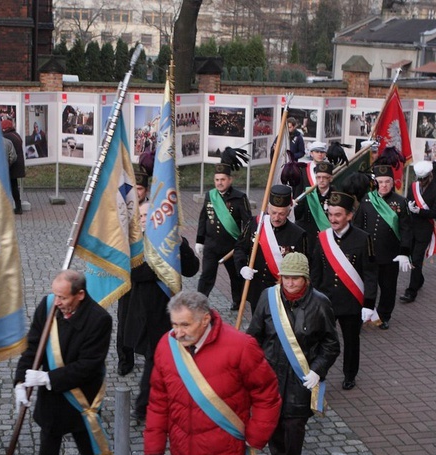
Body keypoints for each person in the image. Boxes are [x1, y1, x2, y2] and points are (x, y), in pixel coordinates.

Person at [143, 290, 281, 455]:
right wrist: (155, 440)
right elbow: (159, 396)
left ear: (205, 319)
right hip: (183, 447)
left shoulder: (241, 346)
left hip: (222, 448)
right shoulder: (167, 345)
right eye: (174, 324)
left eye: (185, 325)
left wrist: (256, 436)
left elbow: (267, 394)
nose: (177, 332)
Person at [14, 270, 112, 455]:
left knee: (87, 448)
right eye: (55, 295)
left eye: (63, 298)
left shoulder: (99, 319)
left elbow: (89, 365)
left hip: (80, 397)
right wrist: (20, 382)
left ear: (80, 294)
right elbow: (33, 346)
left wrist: (48, 378)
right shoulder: (48, 306)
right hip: (52, 399)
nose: (57, 302)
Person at [246, 253, 339, 455]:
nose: (289, 283)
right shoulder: (268, 297)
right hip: (271, 373)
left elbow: (331, 344)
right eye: (285, 277)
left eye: (295, 278)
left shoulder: (320, 303)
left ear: (306, 279)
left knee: (295, 425)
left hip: (301, 377)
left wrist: (318, 371)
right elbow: (254, 334)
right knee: (273, 420)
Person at [128, 201, 200, 421]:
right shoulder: (134, 245)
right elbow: (135, 273)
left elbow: (191, 269)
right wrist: (164, 262)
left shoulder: (172, 241)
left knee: (176, 358)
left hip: (173, 312)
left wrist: (179, 245)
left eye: (149, 215)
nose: (144, 219)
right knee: (155, 359)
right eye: (141, 215)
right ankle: (144, 407)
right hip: (146, 314)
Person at [310, 192, 377, 390]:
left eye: (338, 215)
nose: (333, 219)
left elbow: (370, 274)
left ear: (349, 215)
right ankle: (319, 372)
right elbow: (316, 271)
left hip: (351, 302)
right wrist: (313, 297)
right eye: (330, 214)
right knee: (321, 340)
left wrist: (369, 303)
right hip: (326, 300)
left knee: (351, 341)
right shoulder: (323, 238)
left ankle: (350, 374)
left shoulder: (364, 239)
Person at [353, 164, 413, 330]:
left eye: (387, 181)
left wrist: (404, 252)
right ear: (375, 182)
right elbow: (357, 227)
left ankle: (384, 315)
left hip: (390, 255)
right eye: (380, 182)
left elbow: (406, 229)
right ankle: (363, 315)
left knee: (388, 288)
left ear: (393, 183)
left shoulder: (401, 202)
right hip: (368, 254)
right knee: (364, 286)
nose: (384, 185)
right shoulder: (367, 199)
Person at [234, 185, 307, 313]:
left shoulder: (298, 234)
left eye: (281, 214)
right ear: (268, 208)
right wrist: (242, 268)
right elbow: (240, 248)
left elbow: (303, 267)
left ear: (289, 212)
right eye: (273, 212)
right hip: (257, 289)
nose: (276, 217)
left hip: (283, 292)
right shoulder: (255, 224)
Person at [196, 150, 252, 311]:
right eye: (217, 180)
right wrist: (200, 240)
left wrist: (244, 244)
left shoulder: (239, 197)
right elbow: (203, 219)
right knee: (206, 275)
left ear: (230, 179)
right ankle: (200, 302)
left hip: (232, 247)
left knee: (235, 276)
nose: (219, 183)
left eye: (223, 179)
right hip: (211, 245)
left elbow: (248, 223)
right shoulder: (210, 195)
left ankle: (237, 301)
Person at [115, 150, 154, 376]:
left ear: (146, 191)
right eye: (134, 189)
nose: (137, 193)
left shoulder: (154, 211)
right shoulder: (122, 211)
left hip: (148, 272)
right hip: (127, 272)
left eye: (140, 189)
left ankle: (150, 353)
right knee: (124, 318)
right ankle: (125, 358)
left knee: (148, 317)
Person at [400, 161, 436, 303]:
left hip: (424, 229)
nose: (421, 182)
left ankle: (411, 291)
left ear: (430, 176)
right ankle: (419, 279)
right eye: (419, 179)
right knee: (412, 258)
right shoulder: (413, 186)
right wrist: (408, 205)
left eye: (423, 179)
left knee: (417, 259)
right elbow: (407, 201)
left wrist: (420, 211)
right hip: (410, 227)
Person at [293, 160, 335, 246]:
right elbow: (298, 216)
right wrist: (294, 206)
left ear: (330, 178)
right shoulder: (308, 194)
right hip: (311, 238)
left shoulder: (336, 195)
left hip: (329, 238)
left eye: (325, 177)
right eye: (318, 177)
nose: (321, 180)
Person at [1, 119, 26, 214]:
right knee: (14, 186)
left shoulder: (6, 137)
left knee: (9, 187)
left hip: (11, 166)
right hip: (17, 165)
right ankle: (18, 206)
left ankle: (10, 208)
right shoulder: (16, 135)